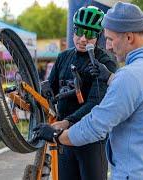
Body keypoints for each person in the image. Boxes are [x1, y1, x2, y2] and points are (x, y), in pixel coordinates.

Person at [32, 2, 143, 179]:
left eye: (110, 39)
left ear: (129, 37)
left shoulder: (131, 76)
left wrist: (56, 135)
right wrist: (111, 78)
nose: (107, 46)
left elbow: (95, 126)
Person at [46, 6, 117, 180]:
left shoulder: (105, 61)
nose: (83, 39)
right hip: (64, 139)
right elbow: (50, 89)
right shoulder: (63, 57)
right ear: (73, 31)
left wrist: (66, 122)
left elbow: (96, 102)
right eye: (79, 31)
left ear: (98, 36)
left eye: (90, 34)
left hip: (91, 140)